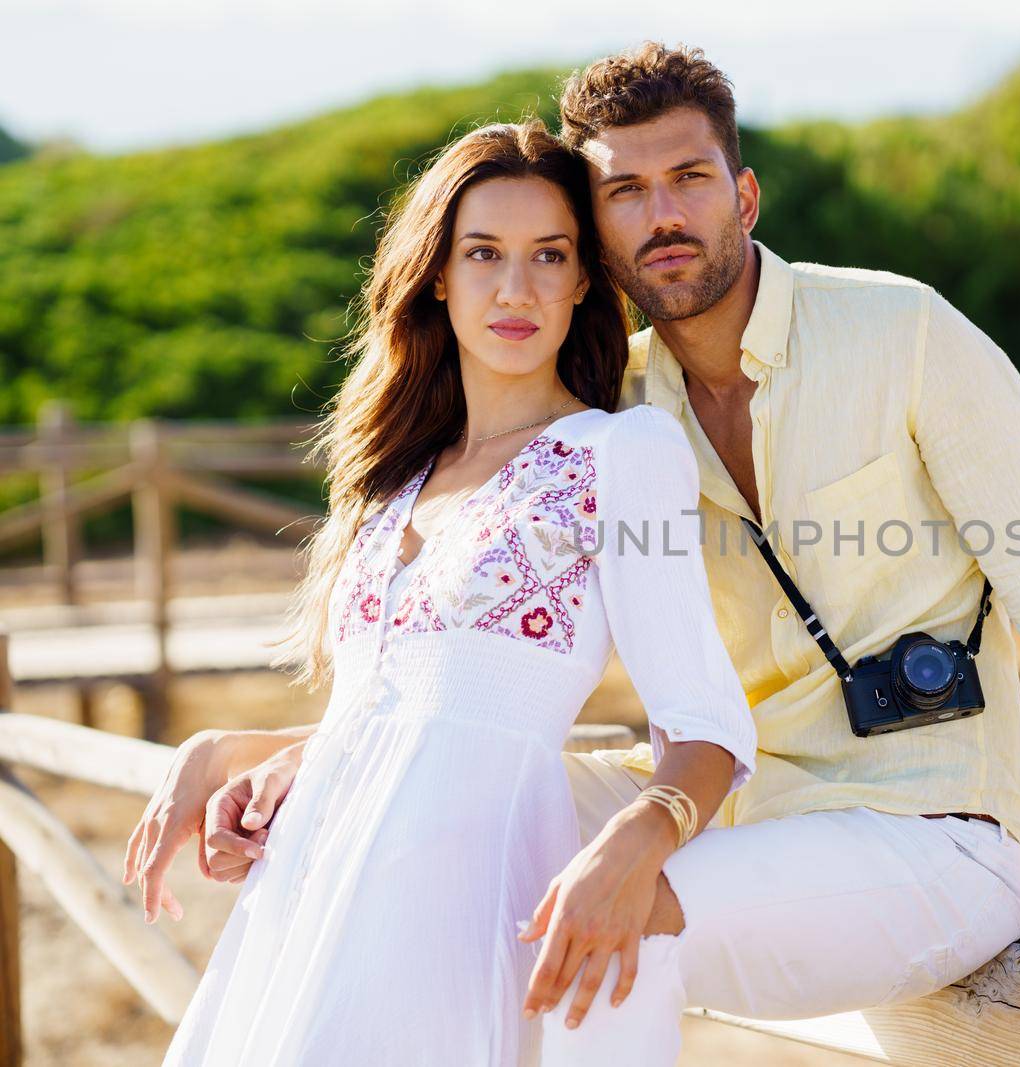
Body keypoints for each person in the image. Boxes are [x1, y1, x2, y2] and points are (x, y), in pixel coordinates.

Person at [150, 42, 1020, 1065]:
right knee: (410, 819)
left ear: (745, 194)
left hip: (923, 829)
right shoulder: (609, 406)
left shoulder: (905, 333)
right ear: (595, 226)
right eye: (624, 192)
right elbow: (469, 694)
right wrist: (306, 755)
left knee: (623, 907)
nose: (663, 215)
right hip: (730, 805)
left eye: (690, 179)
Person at [124, 117, 757, 1066]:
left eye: (550, 255)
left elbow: (707, 725)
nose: (516, 288)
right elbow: (399, 715)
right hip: (306, 900)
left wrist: (636, 845)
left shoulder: (619, 454)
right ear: (437, 275)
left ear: (585, 280)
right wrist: (225, 751)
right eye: (484, 253)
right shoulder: (393, 481)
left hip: (458, 914)